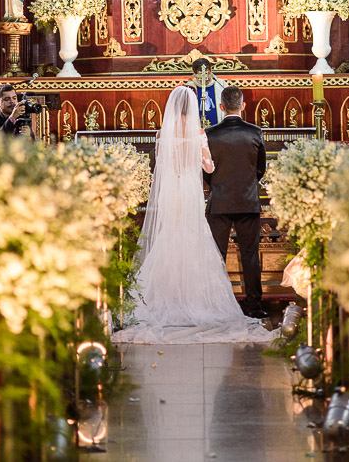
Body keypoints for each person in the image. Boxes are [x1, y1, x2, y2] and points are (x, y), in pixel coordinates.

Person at [112, 86, 272, 344]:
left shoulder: (162, 133)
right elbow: (209, 166)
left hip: (173, 193)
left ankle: (168, 298)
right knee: (196, 242)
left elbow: (159, 166)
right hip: (192, 192)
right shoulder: (200, 134)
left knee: (170, 239)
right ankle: (214, 301)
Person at [205, 86, 267, 318]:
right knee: (250, 255)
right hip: (248, 201)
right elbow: (260, 168)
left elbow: (206, 171)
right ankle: (254, 306)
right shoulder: (255, 132)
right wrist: (247, 186)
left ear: (221, 107)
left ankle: (214, 307)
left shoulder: (211, 134)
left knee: (216, 256)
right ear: (242, 105)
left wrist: (217, 185)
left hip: (219, 202)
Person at [189, 57, 226, 126]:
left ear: (211, 70)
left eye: (207, 74)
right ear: (194, 74)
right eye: (200, 75)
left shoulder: (221, 84)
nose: (205, 78)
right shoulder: (190, 87)